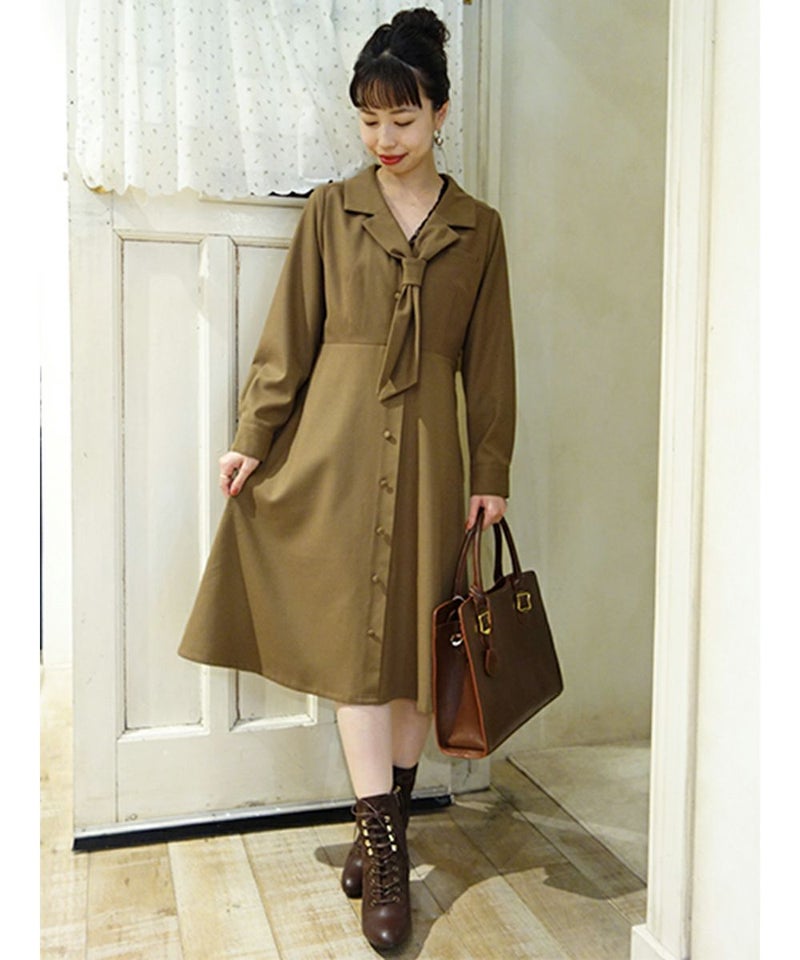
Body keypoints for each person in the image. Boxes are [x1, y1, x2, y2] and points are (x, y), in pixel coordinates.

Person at [178, 7, 516, 950]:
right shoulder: (332, 211)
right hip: (335, 451)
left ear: (440, 113)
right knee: (357, 655)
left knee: (413, 660)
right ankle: (387, 855)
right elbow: (289, 338)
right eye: (369, 120)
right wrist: (254, 436)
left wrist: (491, 470)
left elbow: (491, 364)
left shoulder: (480, 230)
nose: (384, 139)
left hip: (433, 460)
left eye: (402, 119)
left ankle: (383, 831)